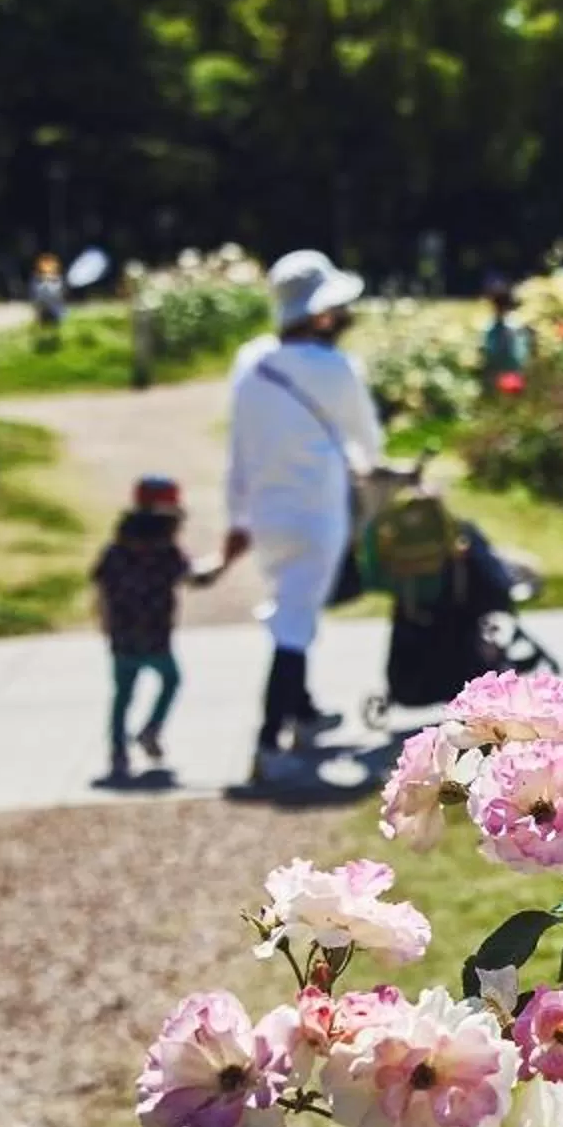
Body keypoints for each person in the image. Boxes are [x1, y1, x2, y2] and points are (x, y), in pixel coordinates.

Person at [223, 249, 383, 778]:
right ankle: (270, 740)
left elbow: (237, 452)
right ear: (321, 314)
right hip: (317, 516)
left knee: (293, 608)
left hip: (266, 517)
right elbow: (368, 442)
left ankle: (305, 711)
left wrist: (236, 520)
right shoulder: (337, 368)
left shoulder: (251, 362)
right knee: (295, 624)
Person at [91, 475, 220, 778]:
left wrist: (104, 620)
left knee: (123, 695)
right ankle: (152, 728)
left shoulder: (115, 550)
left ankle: (118, 751)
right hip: (155, 633)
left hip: (122, 632)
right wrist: (224, 559)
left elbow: (101, 587)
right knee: (171, 680)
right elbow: (196, 578)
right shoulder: (167, 552)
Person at [478, 273, 531, 393]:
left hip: (510, 375)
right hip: (499, 374)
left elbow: (519, 355)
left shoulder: (514, 326)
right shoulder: (491, 326)